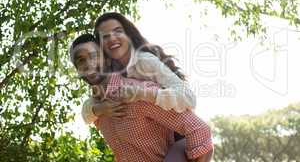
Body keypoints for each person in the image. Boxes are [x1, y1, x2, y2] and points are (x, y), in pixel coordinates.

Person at [70, 34, 213, 162]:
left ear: (107, 60)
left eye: (94, 55)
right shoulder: (96, 111)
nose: (89, 64)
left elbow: (199, 130)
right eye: (81, 60)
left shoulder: (137, 93)